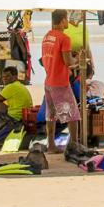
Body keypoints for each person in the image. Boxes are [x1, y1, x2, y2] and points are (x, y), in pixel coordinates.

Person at [41, 9, 79, 154]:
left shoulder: (47, 36)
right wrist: (78, 59)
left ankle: (51, 145)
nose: (68, 21)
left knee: (50, 116)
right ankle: (74, 146)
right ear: (62, 20)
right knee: (72, 114)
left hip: (48, 80)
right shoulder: (64, 38)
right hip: (60, 82)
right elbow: (68, 61)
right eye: (67, 19)